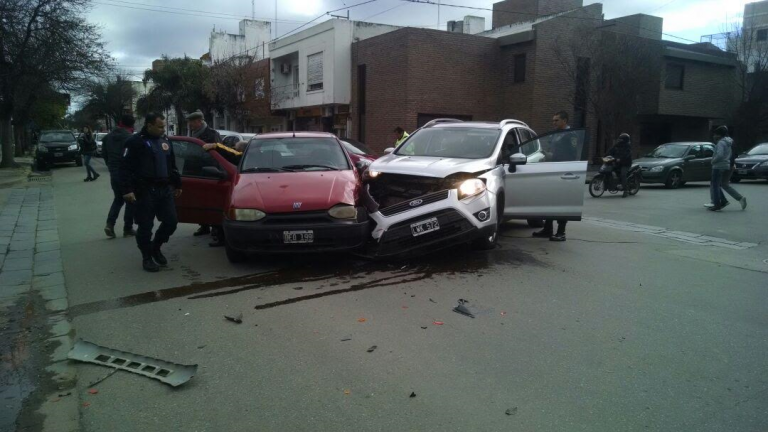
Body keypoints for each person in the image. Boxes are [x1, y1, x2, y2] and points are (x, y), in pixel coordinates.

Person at [119, 113, 182, 272]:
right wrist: (127, 189)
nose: (163, 129)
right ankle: (146, 257)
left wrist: (177, 183)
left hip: (164, 189)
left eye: (164, 126)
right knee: (145, 226)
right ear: (149, 125)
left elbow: (172, 164)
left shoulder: (165, 141)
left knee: (171, 222)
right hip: (144, 189)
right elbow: (124, 168)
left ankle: (156, 247)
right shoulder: (134, 142)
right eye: (160, 126)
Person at [533, 111, 577, 242]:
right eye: (553, 120)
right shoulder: (555, 134)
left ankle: (561, 232)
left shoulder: (571, 135)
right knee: (549, 201)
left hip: (563, 173)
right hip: (552, 171)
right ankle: (548, 229)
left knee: (561, 203)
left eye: (556, 120)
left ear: (564, 121)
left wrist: (553, 157)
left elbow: (571, 156)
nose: (554, 123)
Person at [201, 141, 247, 246]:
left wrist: (216, 146)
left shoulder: (242, 157)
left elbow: (232, 154)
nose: (234, 149)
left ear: (240, 150)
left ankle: (222, 238)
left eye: (235, 148)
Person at [187, 109, 221, 238]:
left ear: (199, 121)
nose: (190, 125)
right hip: (196, 174)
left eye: (192, 122)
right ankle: (204, 225)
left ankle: (216, 228)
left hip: (210, 173)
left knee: (212, 202)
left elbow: (218, 154)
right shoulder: (193, 135)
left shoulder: (212, 134)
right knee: (200, 201)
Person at [102, 115, 137, 238]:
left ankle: (110, 224)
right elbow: (133, 158)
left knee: (118, 199)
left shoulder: (108, 137)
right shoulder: (130, 138)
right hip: (126, 174)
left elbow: (104, 154)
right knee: (131, 201)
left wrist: (111, 167)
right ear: (132, 125)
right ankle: (128, 228)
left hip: (114, 172)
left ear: (120, 122)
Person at [707, 126, 746, 212]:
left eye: (715, 134)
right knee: (719, 184)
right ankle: (723, 201)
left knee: (715, 185)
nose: (713, 136)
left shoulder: (721, 143)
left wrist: (713, 161)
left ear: (719, 135)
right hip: (726, 164)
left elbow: (720, 155)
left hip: (719, 165)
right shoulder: (729, 142)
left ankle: (717, 204)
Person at [606, 133, 633, 198]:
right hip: (617, 162)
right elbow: (610, 151)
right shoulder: (617, 145)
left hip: (625, 163)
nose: (620, 140)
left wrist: (621, 158)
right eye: (619, 139)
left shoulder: (628, 146)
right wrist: (605, 156)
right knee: (610, 170)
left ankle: (626, 190)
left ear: (625, 140)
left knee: (623, 174)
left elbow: (627, 154)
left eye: (621, 139)